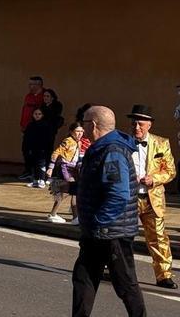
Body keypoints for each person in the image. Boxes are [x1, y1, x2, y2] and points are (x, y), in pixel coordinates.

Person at [72, 105, 146, 317]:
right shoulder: (101, 148)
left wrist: (98, 221)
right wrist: (71, 187)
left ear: (93, 124)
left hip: (111, 232)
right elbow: (99, 186)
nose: (82, 127)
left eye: (84, 122)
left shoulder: (112, 151)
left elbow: (119, 194)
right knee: (83, 278)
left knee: (125, 284)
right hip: (98, 231)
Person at [127, 104, 177, 289]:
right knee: (122, 236)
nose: (136, 128)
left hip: (151, 199)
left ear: (149, 125)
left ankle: (164, 275)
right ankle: (114, 269)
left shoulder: (161, 143)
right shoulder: (124, 142)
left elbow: (170, 171)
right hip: (128, 198)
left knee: (158, 237)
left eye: (140, 124)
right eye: (133, 124)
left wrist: (154, 179)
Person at [45, 122, 85, 224]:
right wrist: (51, 167)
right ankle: (75, 217)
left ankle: (55, 214)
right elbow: (56, 152)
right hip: (66, 168)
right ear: (71, 132)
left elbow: (79, 157)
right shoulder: (68, 141)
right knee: (73, 190)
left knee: (68, 191)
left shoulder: (79, 142)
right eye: (77, 131)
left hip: (74, 169)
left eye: (81, 131)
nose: (79, 134)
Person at [19, 76, 45, 179]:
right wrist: (22, 124)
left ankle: (37, 173)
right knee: (25, 149)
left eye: (32, 84)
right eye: (29, 84)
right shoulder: (28, 96)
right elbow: (24, 111)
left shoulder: (43, 96)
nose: (30, 86)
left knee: (36, 152)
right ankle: (28, 170)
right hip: (26, 128)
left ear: (39, 85)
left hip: (36, 129)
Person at [22, 108, 52, 188]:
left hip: (42, 149)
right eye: (35, 114)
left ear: (42, 115)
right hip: (32, 148)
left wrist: (46, 148)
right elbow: (26, 137)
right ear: (33, 115)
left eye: (39, 114)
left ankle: (42, 180)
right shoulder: (30, 125)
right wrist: (26, 148)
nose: (37, 115)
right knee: (34, 164)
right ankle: (35, 180)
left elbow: (48, 138)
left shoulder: (46, 125)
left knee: (41, 164)